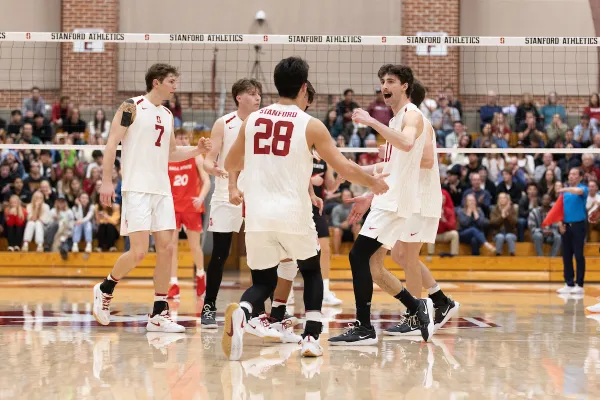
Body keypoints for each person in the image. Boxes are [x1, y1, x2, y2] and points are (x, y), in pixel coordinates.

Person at [221, 56, 389, 360]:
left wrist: (249, 172)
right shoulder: (310, 124)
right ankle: (311, 338)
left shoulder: (252, 120)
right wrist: (372, 183)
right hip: (293, 213)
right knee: (311, 271)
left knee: (263, 281)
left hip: (257, 214)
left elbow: (230, 163)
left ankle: (244, 311)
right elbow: (343, 168)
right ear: (303, 87)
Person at [329, 80, 457, 341]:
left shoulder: (416, 121)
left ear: (406, 91)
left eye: (390, 83)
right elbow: (388, 169)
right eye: (383, 83)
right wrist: (355, 174)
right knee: (397, 256)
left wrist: (387, 150)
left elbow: (426, 160)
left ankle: (418, 312)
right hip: (400, 196)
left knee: (401, 257)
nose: (384, 88)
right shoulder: (397, 124)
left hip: (418, 198)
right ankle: (434, 301)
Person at [92, 63, 211, 333]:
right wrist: (107, 181)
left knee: (168, 249)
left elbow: (171, 154)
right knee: (139, 251)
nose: (175, 85)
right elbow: (111, 144)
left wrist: (196, 150)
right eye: (171, 81)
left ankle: (159, 312)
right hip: (136, 189)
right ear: (156, 82)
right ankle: (105, 287)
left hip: (162, 189)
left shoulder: (168, 114)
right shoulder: (130, 107)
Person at [199, 78, 262, 328]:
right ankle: (209, 306)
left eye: (259, 94)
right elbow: (208, 159)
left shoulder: (264, 121)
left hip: (256, 194)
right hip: (225, 193)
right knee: (220, 254)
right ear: (239, 97)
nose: (257, 98)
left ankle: (260, 309)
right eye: (252, 94)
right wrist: (211, 168)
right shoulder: (223, 123)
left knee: (260, 253)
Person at [166, 129, 211, 300]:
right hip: (173, 207)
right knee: (171, 248)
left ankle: (200, 275)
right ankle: (173, 284)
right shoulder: (168, 157)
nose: (183, 140)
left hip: (192, 206)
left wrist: (201, 197)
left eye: (185, 137)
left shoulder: (196, 156)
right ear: (175, 140)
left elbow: (206, 180)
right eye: (180, 138)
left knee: (194, 246)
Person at [556, 168, 588, 295]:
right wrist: (559, 223)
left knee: (579, 255)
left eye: (574, 174)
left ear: (580, 177)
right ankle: (569, 283)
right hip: (566, 225)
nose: (571, 176)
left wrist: (565, 189)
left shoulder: (582, 188)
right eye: (570, 174)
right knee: (566, 255)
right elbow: (559, 208)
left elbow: (579, 191)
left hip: (578, 226)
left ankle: (579, 284)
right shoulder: (564, 193)